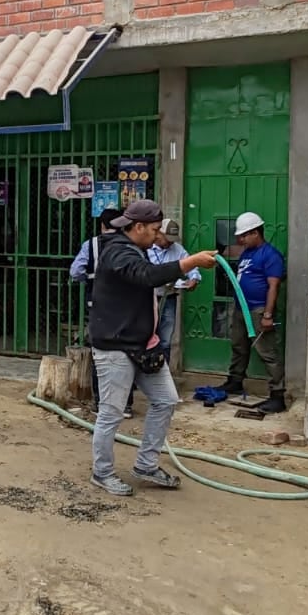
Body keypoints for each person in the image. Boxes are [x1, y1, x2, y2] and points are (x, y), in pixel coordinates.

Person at [87, 199, 217, 496]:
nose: (160, 236)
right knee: (112, 413)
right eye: (156, 230)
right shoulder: (117, 251)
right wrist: (191, 262)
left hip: (143, 344)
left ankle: (146, 465)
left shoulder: (137, 249)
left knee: (166, 400)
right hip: (116, 346)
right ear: (139, 227)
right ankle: (102, 472)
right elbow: (145, 275)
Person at [70, 208, 132, 417]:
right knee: (127, 351)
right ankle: (126, 404)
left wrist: (90, 278)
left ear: (102, 225)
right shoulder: (129, 244)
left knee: (101, 352)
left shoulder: (91, 245)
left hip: (96, 305)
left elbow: (75, 271)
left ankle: (101, 403)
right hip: (125, 307)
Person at [223, 211, 287, 414]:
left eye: (243, 235)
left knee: (267, 353)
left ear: (255, 233)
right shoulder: (247, 252)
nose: (240, 239)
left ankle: (277, 396)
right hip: (242, 308)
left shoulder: (270, 255)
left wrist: (267, 315)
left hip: (258, 310)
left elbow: (273, 286)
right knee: (239, 346)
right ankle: (235, 381)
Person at [147, 217, 200, 362]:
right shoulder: (145, 247)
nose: (170, 242)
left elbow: (191, 264)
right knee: (147, 336)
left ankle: (164, 373)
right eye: (167, 238)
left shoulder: (177, 249)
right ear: (159, 234)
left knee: (165, 339)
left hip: (168, 297)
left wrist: (193, 278)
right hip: (148, 298)